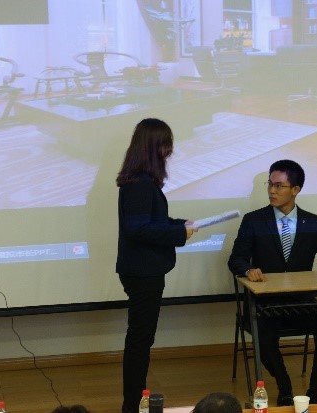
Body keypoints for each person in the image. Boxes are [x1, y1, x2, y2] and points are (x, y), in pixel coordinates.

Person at [228, 159, 317, 406]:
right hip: (264, 304)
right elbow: (236, 259)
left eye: (279, 186)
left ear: (295, 189)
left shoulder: (313, 222)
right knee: (262, 332)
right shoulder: (254, 221)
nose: (272, 191)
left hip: (301, 302)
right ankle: (284, 387)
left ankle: (316, 391)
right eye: (270, 185)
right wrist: (248, 269)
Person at [116, 118, 197, 413]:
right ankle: (133, 404)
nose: (169, 151)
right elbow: (139, 229)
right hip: (143, 272)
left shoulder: (140, 181)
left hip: (143, 270)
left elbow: (152, 221)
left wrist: (181, 224)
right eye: (166, 144)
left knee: (140, 338)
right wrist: (178, 234)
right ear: (154, 147)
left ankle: (135, 400)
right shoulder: (139, 184)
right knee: (140, 340)